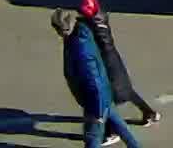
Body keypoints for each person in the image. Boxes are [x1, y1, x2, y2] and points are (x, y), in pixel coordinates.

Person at [52, 10, 141, 148]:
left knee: (92, 136)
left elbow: (93, 79)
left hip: (94, 99)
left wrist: (97, 112)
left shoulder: (79, 49)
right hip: (100, 95)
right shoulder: (80, 35)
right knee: (118, 124)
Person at [79, 0, 158, 126]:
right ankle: (149, 112)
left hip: (105, 60)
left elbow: (99, 41)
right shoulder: (99, 17)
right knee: (126, 88)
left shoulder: (96, 25)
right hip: (112, 57)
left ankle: (111, 129)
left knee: (106, 97)